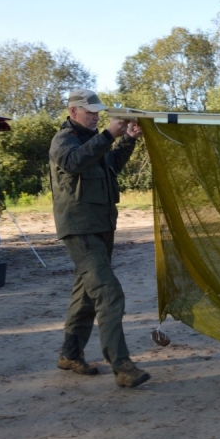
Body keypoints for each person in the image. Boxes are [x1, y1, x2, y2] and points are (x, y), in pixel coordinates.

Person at [49, 88, 150, 388]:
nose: (95, 116)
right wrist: (108, 135)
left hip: (102, 227)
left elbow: (111, 166)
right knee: (107, 292)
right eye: (89, 111)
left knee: (86, 294)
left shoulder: (95, 141)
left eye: (97, 111)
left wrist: (128, 139)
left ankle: (70, 354)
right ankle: (122, 366)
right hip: (80, 230)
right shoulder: (63, 140)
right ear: (73, 112)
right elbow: (75, 162)